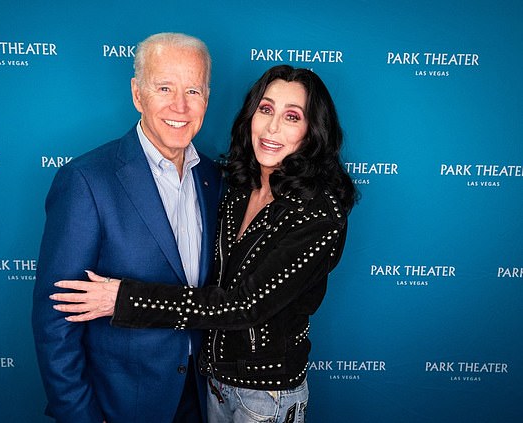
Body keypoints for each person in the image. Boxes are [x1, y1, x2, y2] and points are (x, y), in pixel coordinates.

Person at [51, 65, 357, 423]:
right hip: (211, 384)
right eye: (266, 109)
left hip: (265, 396)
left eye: (292, 116)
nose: (273, 127)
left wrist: (125, 299)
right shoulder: (238, 187)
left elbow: (243, 306)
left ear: (311, 131)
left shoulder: (319, 213)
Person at [32, 32, 223, 423]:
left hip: (202, 400)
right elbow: (56, 321)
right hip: (120, 406)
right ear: (138, 94)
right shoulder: (86, 180)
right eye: (164, 87)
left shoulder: (216, 178)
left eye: (193, 90)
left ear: (207, 98)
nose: (180, 106)